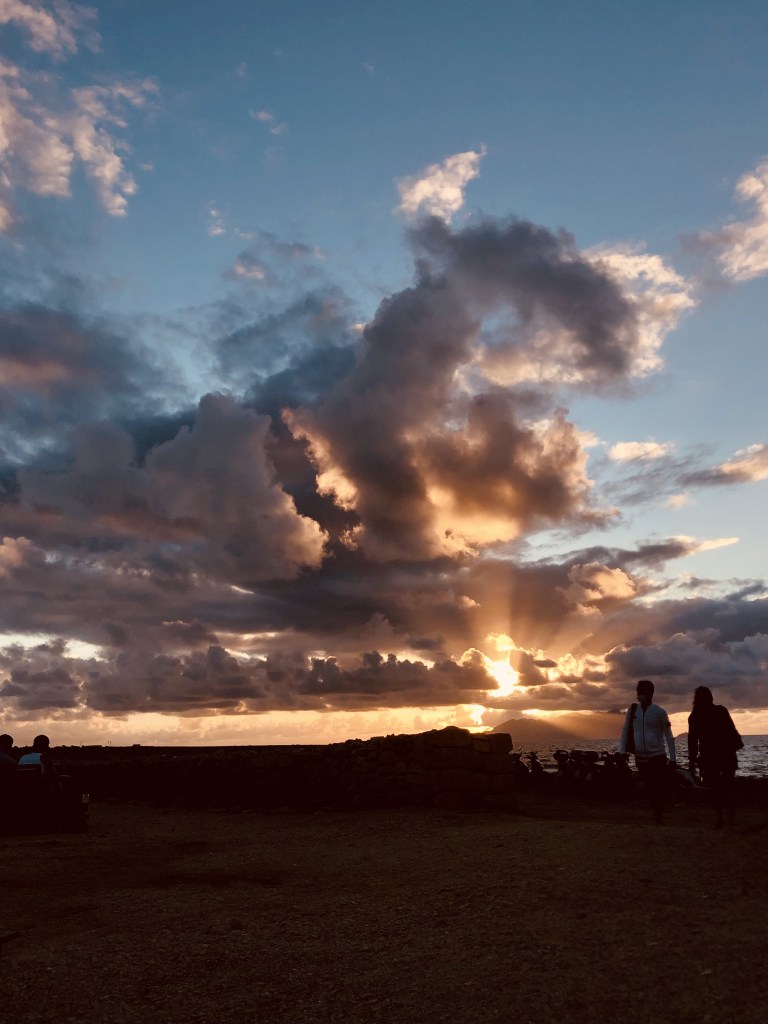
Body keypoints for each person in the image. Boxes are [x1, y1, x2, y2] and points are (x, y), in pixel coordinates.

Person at [619, 680, 677, 824]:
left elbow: (669, 736)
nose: (639, 695)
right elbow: (625, 730)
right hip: (640, 759)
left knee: (657, 788)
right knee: (650, 789)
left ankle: (659, 816)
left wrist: (673, 759)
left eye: (642, 693)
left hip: (657, 757)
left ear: (650, 694)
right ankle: (657, 814)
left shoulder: (659, 712)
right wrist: (622, 751)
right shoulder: (633, 711)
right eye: (638, 692)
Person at [688, 686, 742, 829]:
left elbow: (692, 742)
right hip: (727, 754)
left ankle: (720, 818)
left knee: (715, 790)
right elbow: (732, 731)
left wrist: (691, 762)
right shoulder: (721, 711)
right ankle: (731, 820)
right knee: (729, 788)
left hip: (709, 757)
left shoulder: (694, 717)